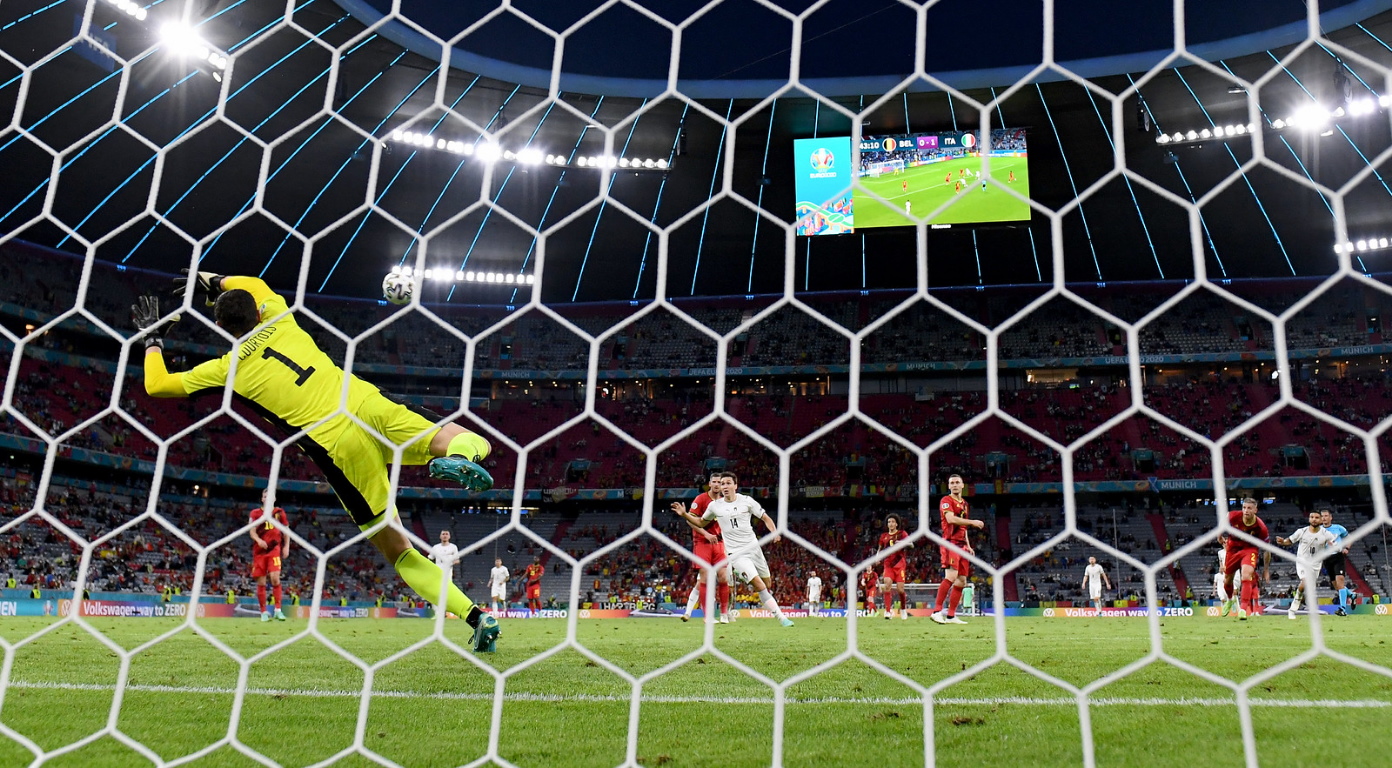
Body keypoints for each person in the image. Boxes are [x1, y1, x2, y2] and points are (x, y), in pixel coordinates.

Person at [132, 274, 500, 652]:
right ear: (258, 311)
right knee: (470, 440)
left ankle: (477, 617)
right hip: (365, 404)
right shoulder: (279, 317)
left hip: (338, 447)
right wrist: (213, 280)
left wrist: (153, 338)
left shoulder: (227, 369)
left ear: (219, 326)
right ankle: (460, 457)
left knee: (400, 551)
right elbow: (256, 282)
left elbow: (157, 385)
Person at [673, 471, 793, 627]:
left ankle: (750, 585)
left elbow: (765, 517)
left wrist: (774, 531)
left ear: (735, 486)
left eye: (728, 483)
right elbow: (701, 522)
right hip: (735, 553)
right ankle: (782, 618)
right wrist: (685, 515)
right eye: (722, 484)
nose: (725, 486)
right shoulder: (715, 506)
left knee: (767, 583)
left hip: (754, 548)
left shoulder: (747, 501)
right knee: (759, 584)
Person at [670, 473, 732, 624]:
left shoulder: (726, 501)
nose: (718, 485)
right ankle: (707, 617)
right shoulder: (701, 499)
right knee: (704, 578)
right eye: (715, 482)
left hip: (719, 543)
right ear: (709, 484)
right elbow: (691, 521)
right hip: (702, 542)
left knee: (723, 577)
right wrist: (705, 533)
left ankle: (724, 614)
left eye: (720, 482)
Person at [931, 474, 984, 625]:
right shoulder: (946, 501)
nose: (954, 485)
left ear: (962, 485)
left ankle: (951, 615)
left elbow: (963, 527)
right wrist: (973, 522)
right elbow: (951, 519)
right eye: (951, 483)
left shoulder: (965, 504)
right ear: (949, 486)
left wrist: (968, 545)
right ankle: (936, 611)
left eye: (957, 482)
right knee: (951, 576)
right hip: (950, 543)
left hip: (962, 545)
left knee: (961, 581)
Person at [1277, 511, 1338, 620]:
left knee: (1309, 587)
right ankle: (1292, 610)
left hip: (1315, 565)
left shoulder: (1325, 534)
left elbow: (1335, 544)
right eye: (1312, 517)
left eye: (1316, 517)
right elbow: (1290, 541)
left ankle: (1303, 605)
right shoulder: (1302, 531)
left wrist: (1334, 546)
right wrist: (1283, 542)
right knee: (1304, 582)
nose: (1314, 519)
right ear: (1309, 519)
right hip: (1302, 562)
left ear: (1320, 520)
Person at [1221, 497, 1269, 621]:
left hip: (1250, 549)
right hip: (1233, 549)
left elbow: (1267, 549)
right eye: (1244, 508)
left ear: (1255, 510)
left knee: (1246, 576)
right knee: (1227, 580)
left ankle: (1242, 609)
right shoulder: (1233, 516)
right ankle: (1231, 600)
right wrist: (1219, 536)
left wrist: (1266, 569)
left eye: (1249, 508)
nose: (1246, 510)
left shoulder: (1261, 527)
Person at [248, 488, 289, 622]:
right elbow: (252, 531)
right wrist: (259, 540)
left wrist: (286, 546)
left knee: (275, 578)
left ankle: (278, 610)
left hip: (274, 549)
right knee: (262, 582)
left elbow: (286, 531)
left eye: (270, 496)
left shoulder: (279, 513)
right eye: (265, 496)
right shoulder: (255, 513)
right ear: (262, 499)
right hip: (259, 552)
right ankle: (264, 612)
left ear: (274, 499)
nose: (267, 499)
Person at [878, 514, 911, 620]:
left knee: (900, 589)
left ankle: (903, 609)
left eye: (893, 522)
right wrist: (877, 558)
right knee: (887, 585)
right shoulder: (884, 536)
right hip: (888, 565)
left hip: (899, 564)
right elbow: (880, 549)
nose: (891, 524)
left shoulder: (902, 534)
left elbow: (911, 544)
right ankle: (887, 611)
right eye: (889, 522)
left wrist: (902, 542)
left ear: (896, 524)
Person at [1320, 508, 1353, 616]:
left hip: (1338, 557)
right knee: (1336, 586)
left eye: (1326, 516)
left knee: (1340, 582)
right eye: (1322, 516)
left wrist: (1346, 548)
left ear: (1330, 517)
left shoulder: (1338, 528)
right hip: (1327, 558)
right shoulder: (1319, 530)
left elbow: (1348, 537)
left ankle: (1343, 609)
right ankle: (1352, 595)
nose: (1324, 518)